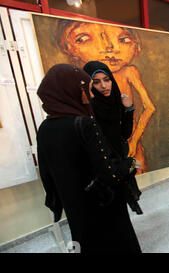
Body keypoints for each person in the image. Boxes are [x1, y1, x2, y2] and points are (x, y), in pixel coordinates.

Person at [36, 63, 142, 253]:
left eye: (106, 80)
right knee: (117, 239)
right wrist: (130, 163)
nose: (92, 93)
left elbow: (46, 173)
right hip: (101, 197)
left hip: (75, 203)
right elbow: (108, 172)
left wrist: (59, 200)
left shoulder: (45, 128)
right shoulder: (85, 122)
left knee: (88, 241)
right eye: (89, 86)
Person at [57, 21, 156, 174]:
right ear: (70, 50)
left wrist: (134, 141)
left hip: (129, 144)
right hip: (105, 154)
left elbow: (146, 110)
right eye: (83, 39)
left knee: (134, 175)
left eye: (123, 39)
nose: (109, 47)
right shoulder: (86, 98)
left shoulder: (128, 73)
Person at [83, 60, 143, 215]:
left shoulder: (116, 100)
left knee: (120, 203)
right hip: (102, 165)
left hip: (119, 159)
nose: (104, 86)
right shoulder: (87, 108)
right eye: (96, 82)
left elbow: (125, 134)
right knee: (108, 206)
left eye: (107, 80)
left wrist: (129, 109)